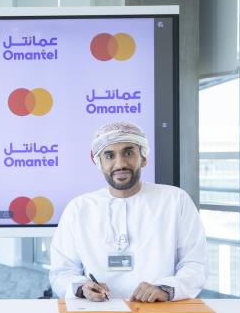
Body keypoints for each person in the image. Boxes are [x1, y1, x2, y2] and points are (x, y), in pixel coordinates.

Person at [49, 122, 207, 303]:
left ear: (143, 158)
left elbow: (196, 265)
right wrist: (82, 288)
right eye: (109, 156)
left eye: (128, 153)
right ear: (99, 163)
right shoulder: (79, 208)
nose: (120, 164)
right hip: (97, 312)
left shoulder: (175, 200)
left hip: (159, 311)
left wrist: (165, 289)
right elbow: (61, 272)